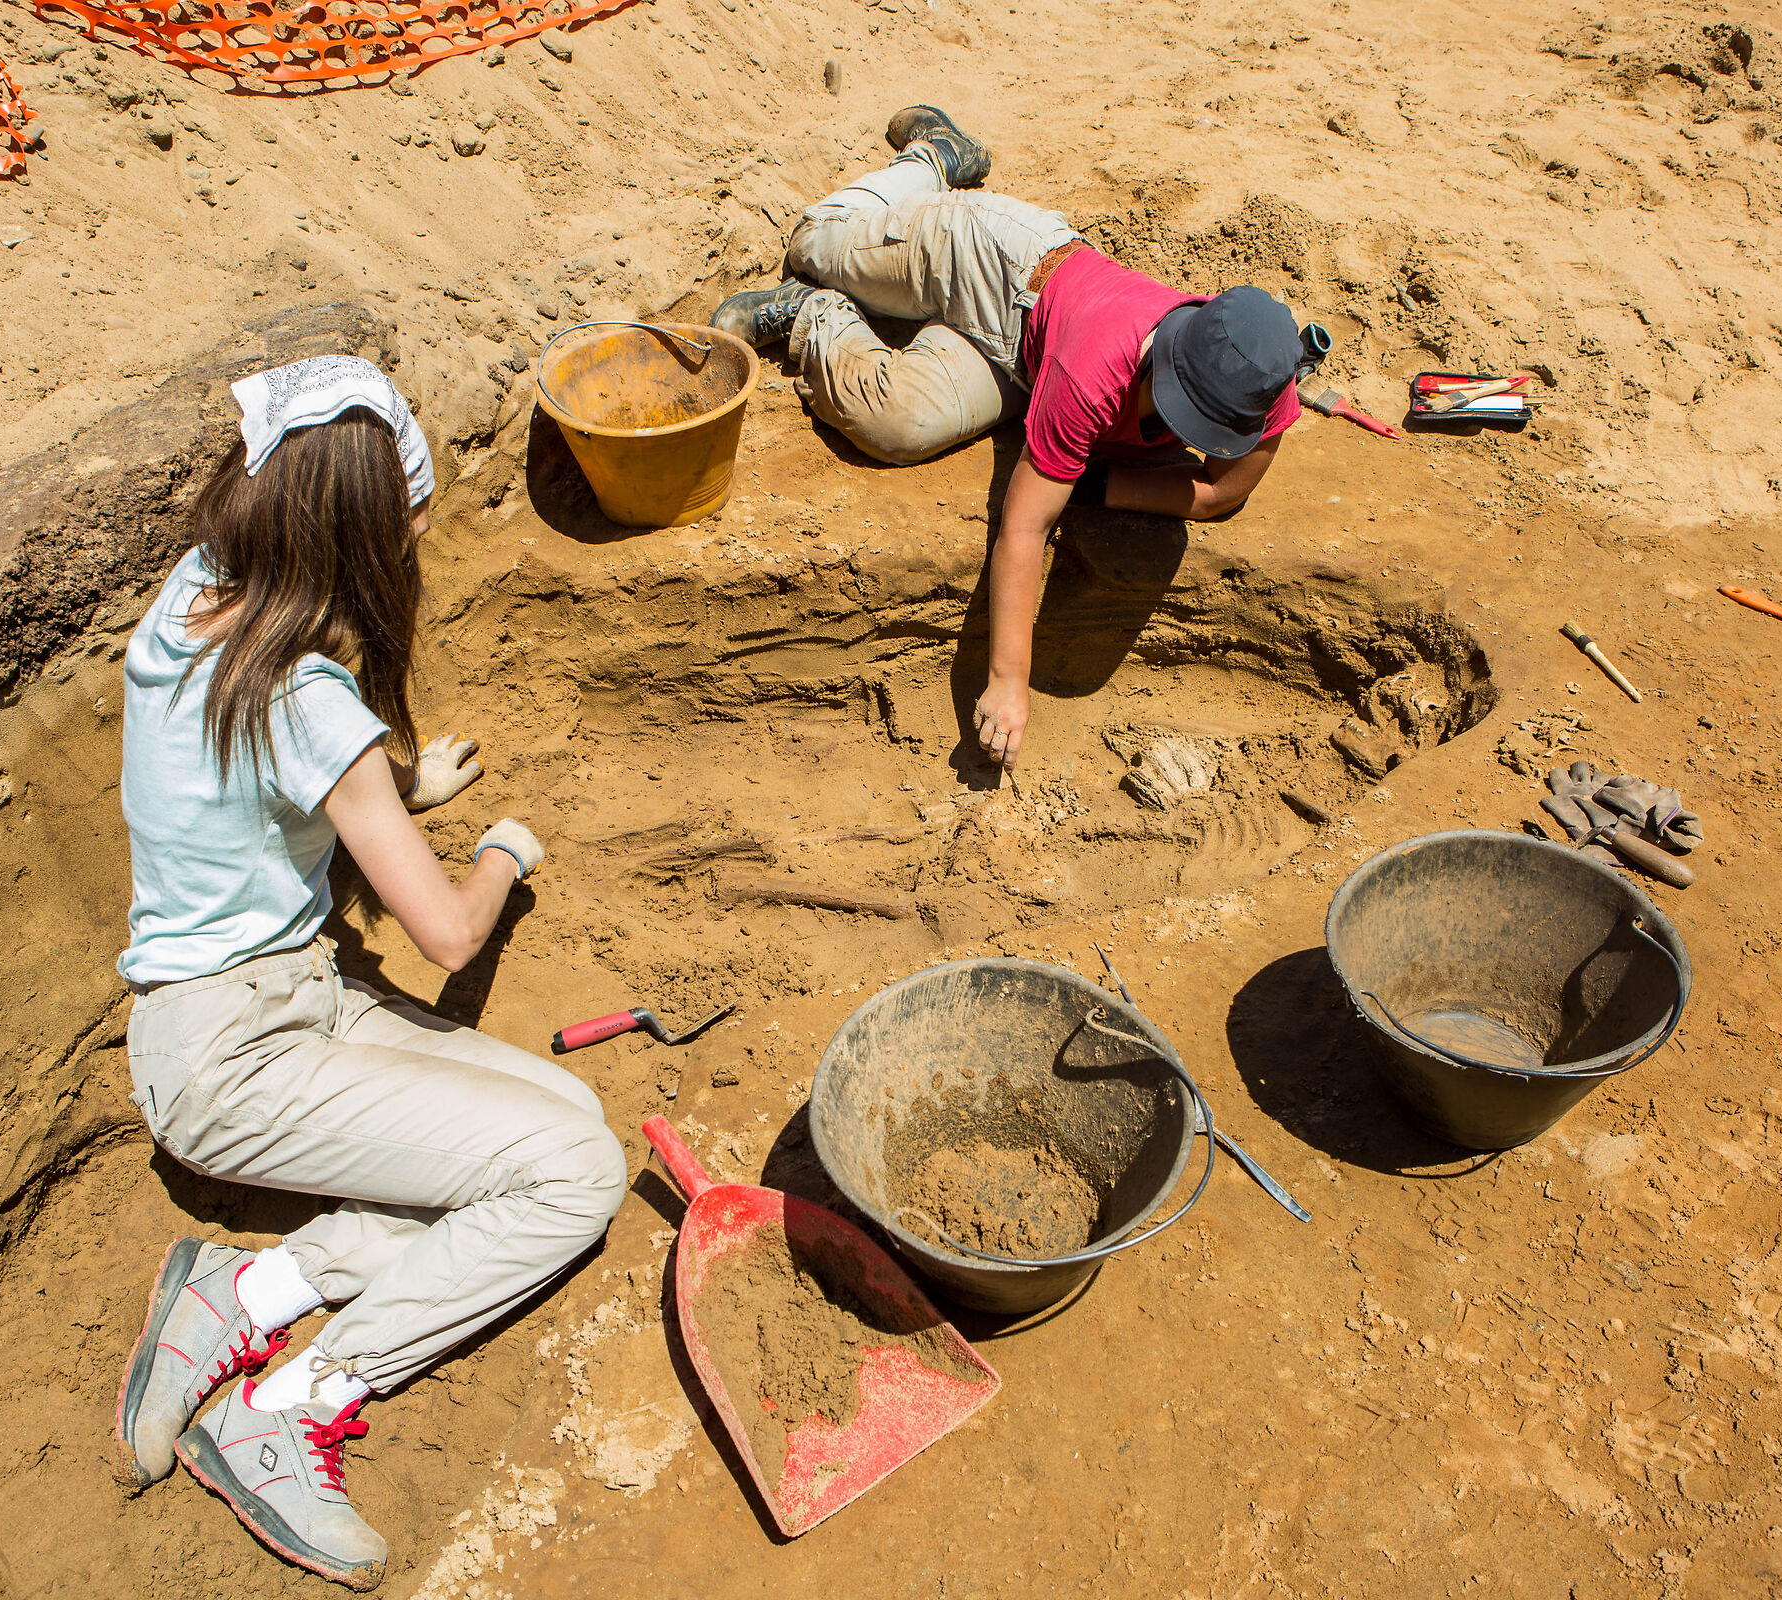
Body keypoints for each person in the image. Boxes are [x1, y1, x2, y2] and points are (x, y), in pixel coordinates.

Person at [107, 355, 627, 1592]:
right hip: (235, 1063)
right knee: (574, 1177)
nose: (424, 530)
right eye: (414, 509)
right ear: (354, 530)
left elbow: (273, 782)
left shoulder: (204, 594)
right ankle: (289, 1404)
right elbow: (448, 933)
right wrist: (498, 851)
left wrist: (394, 789)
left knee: (570, 1114)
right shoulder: (309, 698)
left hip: (271, 995)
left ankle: (248, 1289)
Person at [713, 107, 1306, 773]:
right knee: (814, 242)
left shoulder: (1264, 381)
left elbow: (1220, 494)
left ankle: (816, 312)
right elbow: (1024, 529)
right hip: (992, 265)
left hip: (1023, 365)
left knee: (895, 423)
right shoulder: (1096, 369)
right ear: (1166, 360)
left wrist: (1096, 484)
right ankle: (931, 161)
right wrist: (1007, 682)